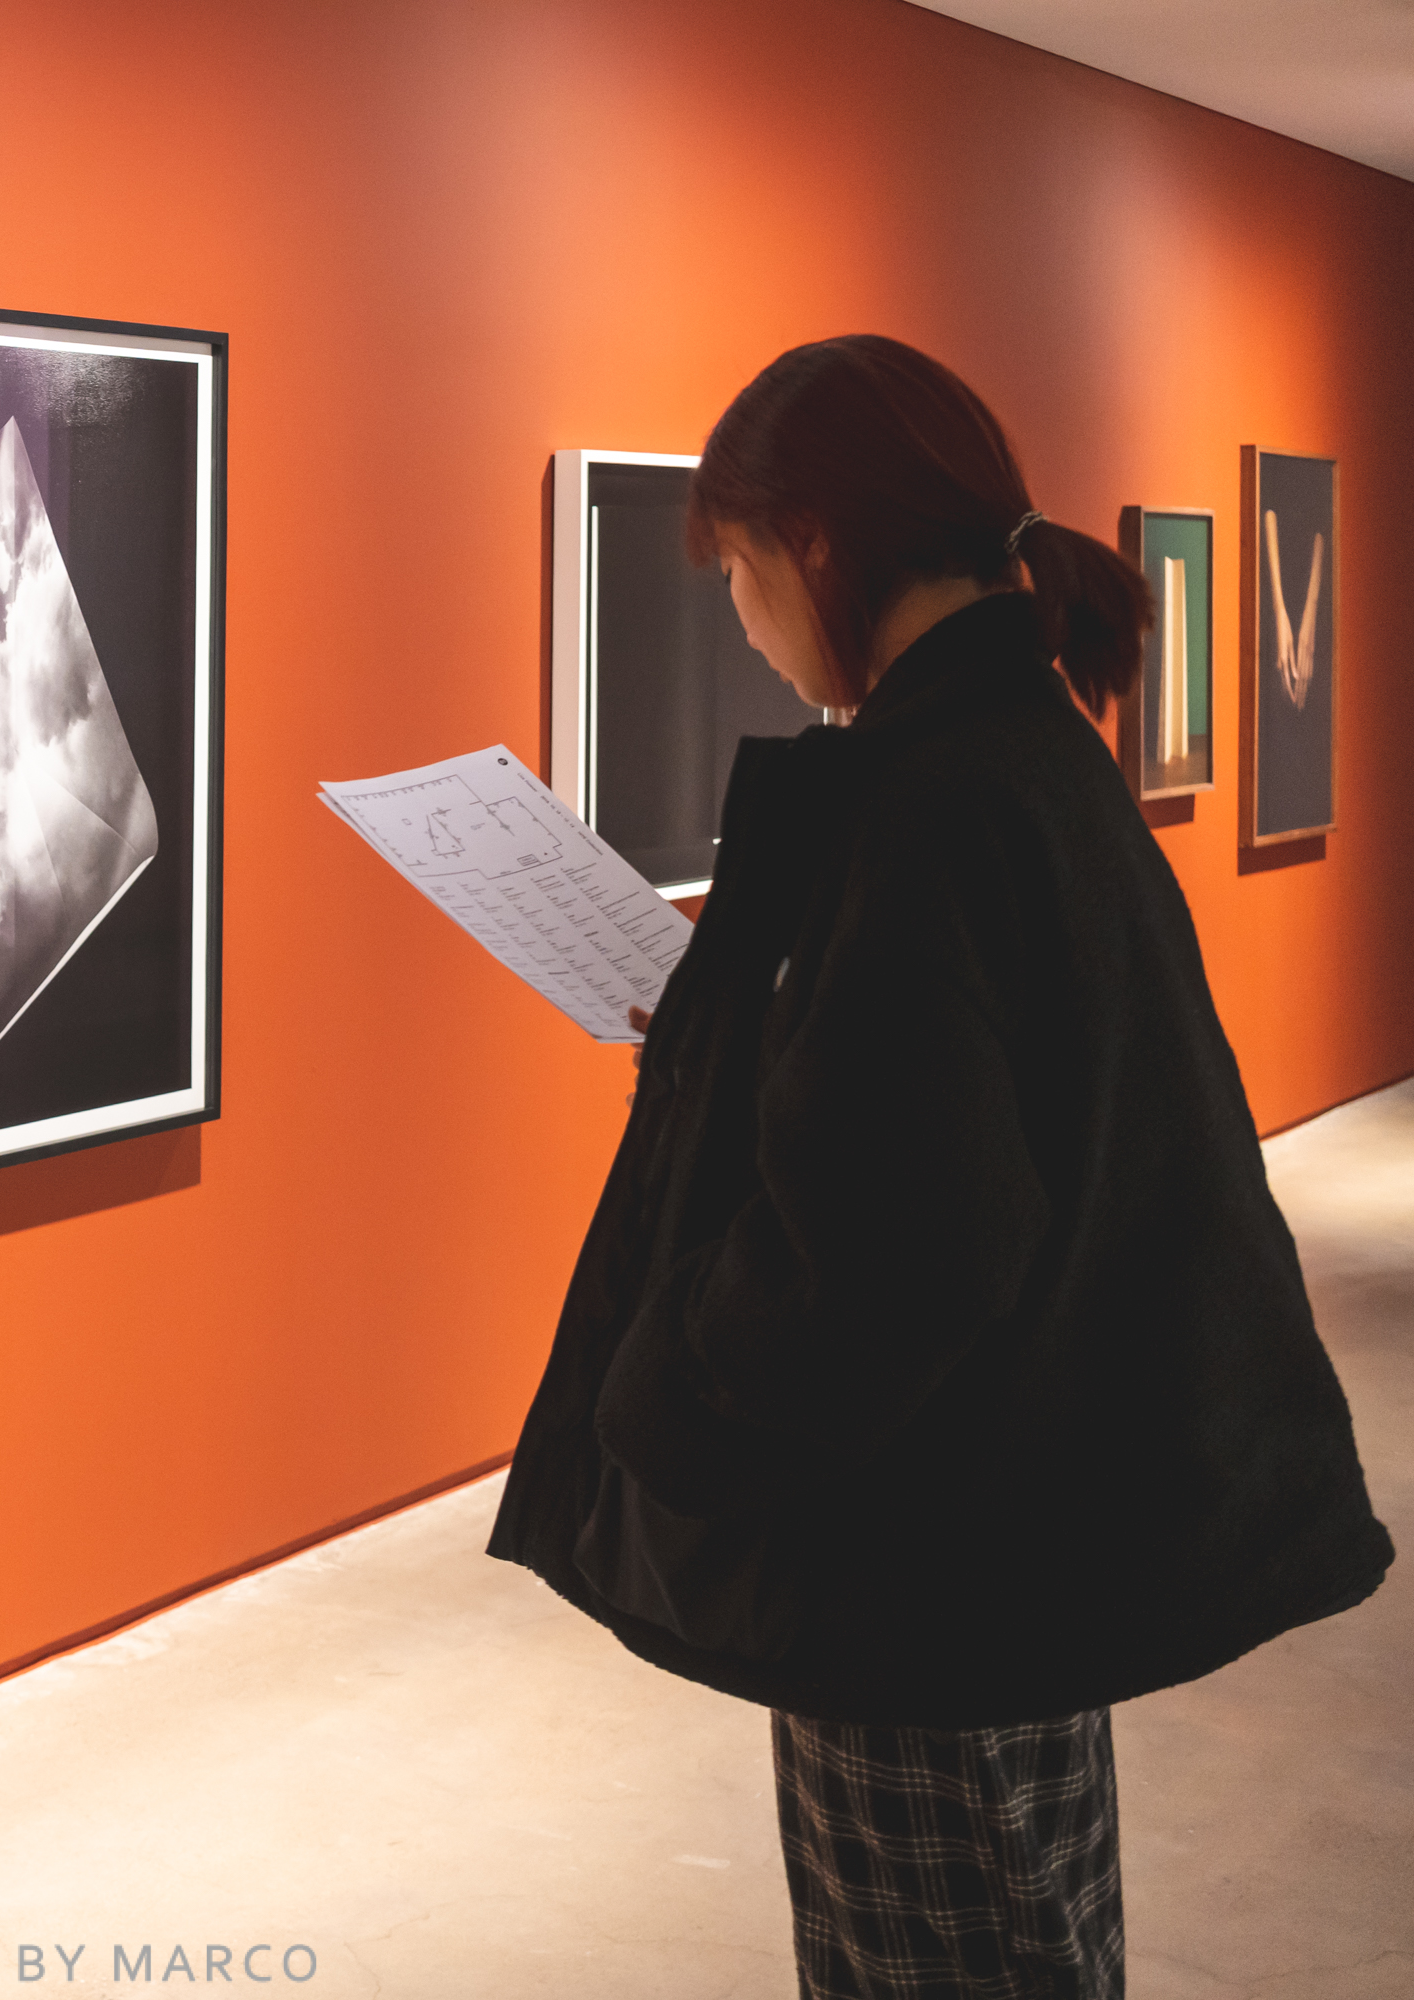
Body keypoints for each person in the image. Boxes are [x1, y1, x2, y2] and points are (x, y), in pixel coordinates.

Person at [485, 335, 1391, 1998]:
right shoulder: (1022, 758)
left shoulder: (929, 801)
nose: (742, 624)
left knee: (938, 1956)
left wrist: (665, 1386)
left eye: (739, 576)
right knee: (1027, 1933)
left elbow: (900, 1240)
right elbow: (970, 1101)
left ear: (814, 542)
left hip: (924, 1545)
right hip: (1017, 1506)